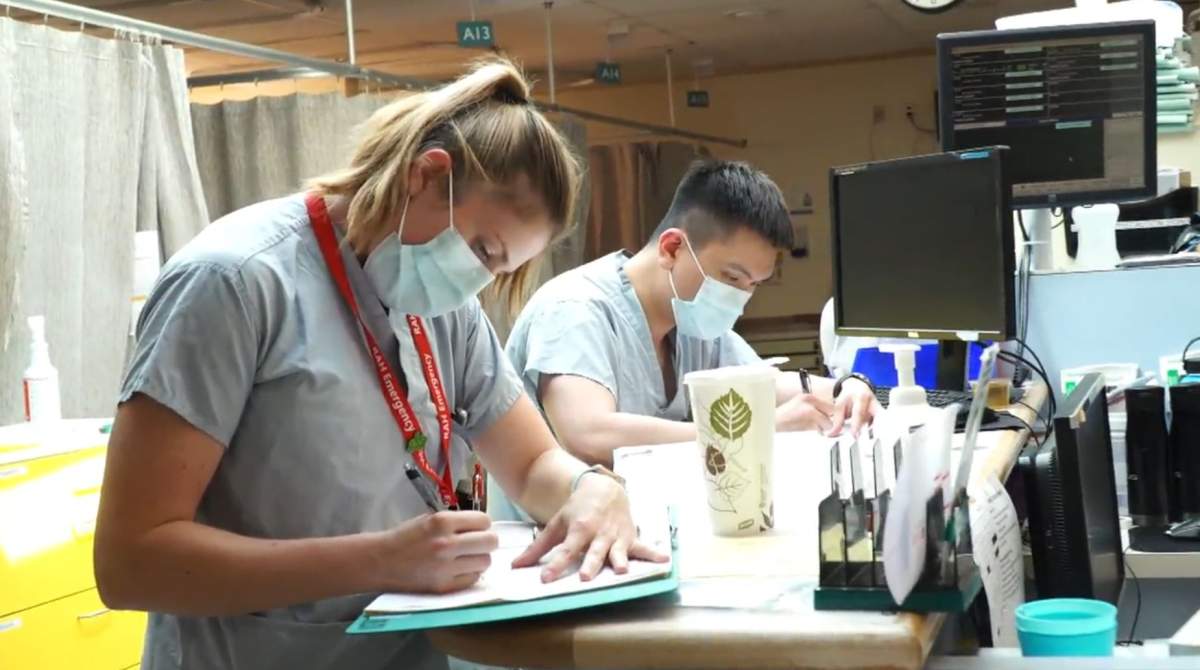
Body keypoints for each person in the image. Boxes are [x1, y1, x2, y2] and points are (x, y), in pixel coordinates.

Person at [93, 58, 665, 670]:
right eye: (481, 250)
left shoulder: (447, 311)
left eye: (497, 271)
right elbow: (131, 562)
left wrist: (591, 490)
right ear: (426, 175)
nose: (475, 280)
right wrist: (382, 561)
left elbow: (530, 463)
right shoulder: (234, 283)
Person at [503, 161, 879, 472]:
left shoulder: (692, 326)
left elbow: (765, 385)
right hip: (550, 547)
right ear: (672, 248)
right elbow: (589, 435)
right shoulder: (574, 309)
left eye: (753, 284)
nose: (740, 298)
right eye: (731, 277)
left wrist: (846, 388)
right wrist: (756, 434)